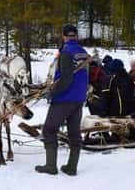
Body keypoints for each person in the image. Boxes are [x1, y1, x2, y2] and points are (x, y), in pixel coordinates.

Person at [35, 25, 89, 176]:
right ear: (76, 36)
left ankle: (51, 166)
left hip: (64, 98)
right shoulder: (83, 52)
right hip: (79, 98)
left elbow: (66, 78)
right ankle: (71, 167)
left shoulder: (66, 52)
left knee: (49, 129)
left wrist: (52, 93)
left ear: (64, 36)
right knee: (74, 133)